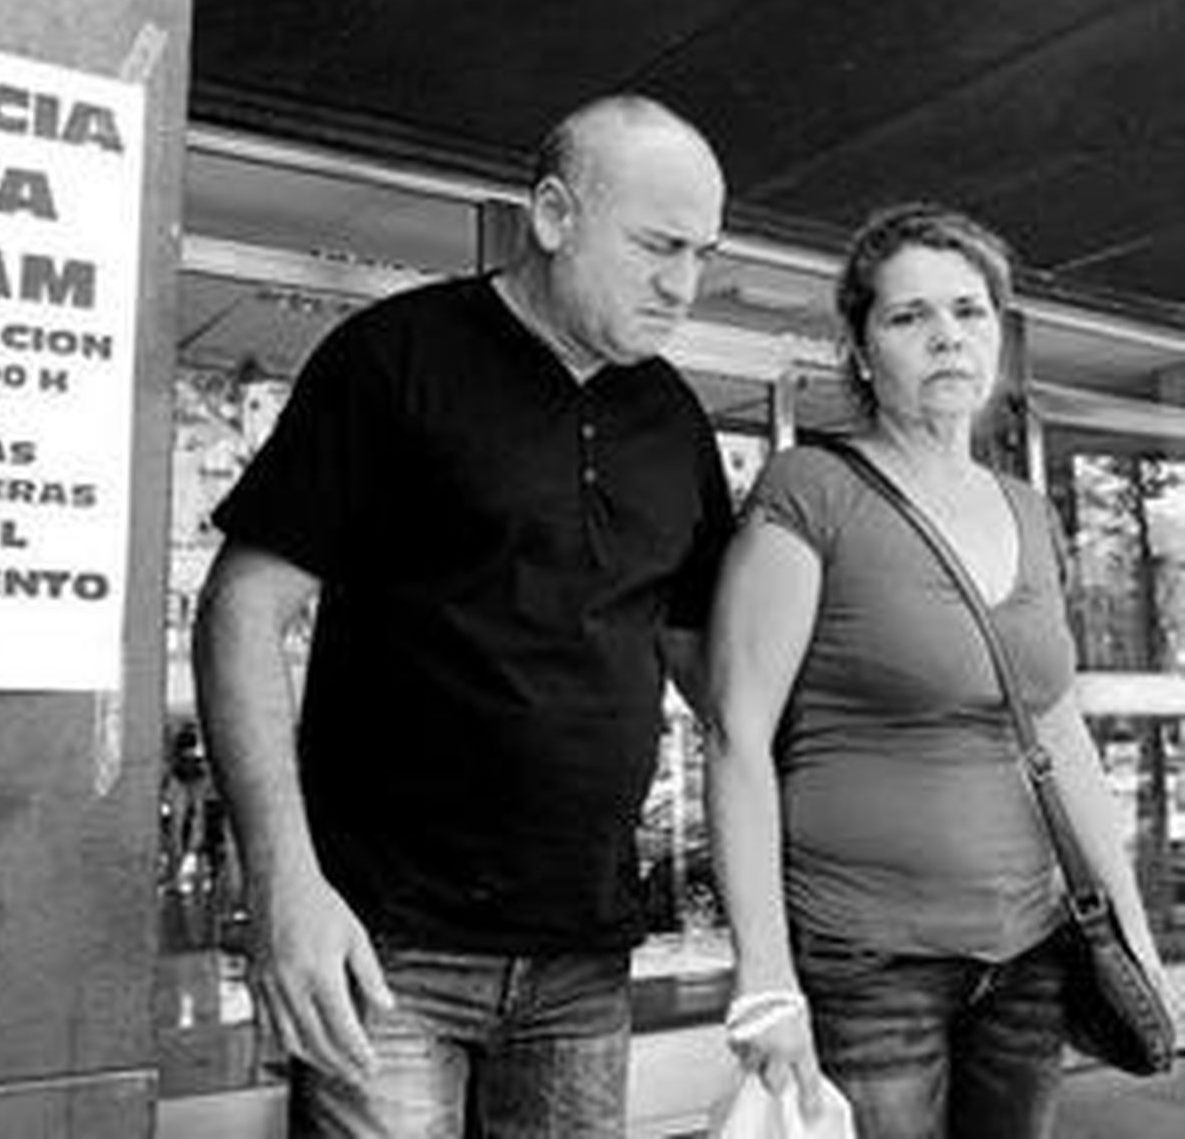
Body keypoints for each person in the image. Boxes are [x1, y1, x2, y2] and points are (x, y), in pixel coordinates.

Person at [191, 94, 733, 1137]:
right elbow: (243, 609)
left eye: (703, 253)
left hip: (587, 953)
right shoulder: (394, 357)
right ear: (551, 212)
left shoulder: (673, 419)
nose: (683, 285)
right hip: (384, 946)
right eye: (658, 246)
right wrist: (284, 885)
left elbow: (715, 676)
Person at [705, 202, 1176, 1138]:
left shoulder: (1029, 509)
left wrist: (1130, 923)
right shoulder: (813, 491)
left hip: (1033, 950)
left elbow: (1057, 725)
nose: (947, 336)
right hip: (868, 960)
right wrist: (765, 971)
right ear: (862, 347)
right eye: (909, 315)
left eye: (969, 311)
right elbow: (736, 731)